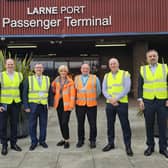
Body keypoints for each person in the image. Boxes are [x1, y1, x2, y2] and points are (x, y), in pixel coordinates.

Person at [138, 49, 168, 158]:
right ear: (147, 59)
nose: (152, 58)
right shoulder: (143, 69)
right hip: (148, 101)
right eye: (150, 56)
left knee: (163, 126)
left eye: (154, 56)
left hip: (162, 101)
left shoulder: (165, 68)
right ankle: (150, 146)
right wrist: (140, 100)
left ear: (158, 57)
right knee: (149, 125)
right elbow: (140, 86)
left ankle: (163, 148)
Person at [102, 58, 133, 156]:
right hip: (110, 103)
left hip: (122, 103)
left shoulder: (125, 74)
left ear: (118, 64)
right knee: (110, 125)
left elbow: (127, 88)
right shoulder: (106, 76)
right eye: (111, 64)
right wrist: (111, 99)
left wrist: (116, 98)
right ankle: (110, 143)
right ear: (109, 65)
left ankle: (128, 146)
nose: (113, 65)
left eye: (114, 63)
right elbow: (104, 90)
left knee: (125, 125)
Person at [22, 63, 53, 151]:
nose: (39, 69)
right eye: (37, 68)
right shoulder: (29, 79)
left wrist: (50, 104)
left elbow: (50, 92)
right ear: (34, 69)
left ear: (43, 69)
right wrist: (26, 106)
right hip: (32, 106)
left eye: (40, 68)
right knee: (32, 125)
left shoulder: (47, 79)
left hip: (43, 106)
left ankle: (42, 141)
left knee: (43, 124)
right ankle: (34, 142)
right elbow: (24, 94)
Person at [74, 63, 101, 148]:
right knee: (80, 123)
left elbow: (98, 91)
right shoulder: (76, 78)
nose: (85, 70)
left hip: (91, 105)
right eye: (83, 68)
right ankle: (80, 140)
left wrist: (92, 97)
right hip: (80, 105)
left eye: (87, 68)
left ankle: (92, 140)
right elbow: (74, 91)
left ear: (89, 70)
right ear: (81, 69)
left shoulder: (95, 78)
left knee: (93, 124)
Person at [0, 58, 23, 155]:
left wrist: (21, 102)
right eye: (8, 64)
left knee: (14, 124)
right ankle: (4, 145)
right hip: (4, 104)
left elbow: (21, 89)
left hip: (15, 103)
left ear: (14, 65)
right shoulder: (1, 75)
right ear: (5, 65)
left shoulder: (19, 75)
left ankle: (13, 144)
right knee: (2, 125)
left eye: (12, 64)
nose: (10, 66)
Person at [52, 65, 75, 149]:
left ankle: (67, 140)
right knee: (60, 122)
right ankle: (63, 138)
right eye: (61, 71)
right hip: (59, 104)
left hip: (67, 104)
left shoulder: (70, 81)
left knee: (64, 122)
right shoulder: (56, 80)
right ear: (59, 72)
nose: (63, 72)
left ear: (67, 72)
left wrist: (72, 105)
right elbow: (53, 89)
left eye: (64, 71)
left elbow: (73, 94)